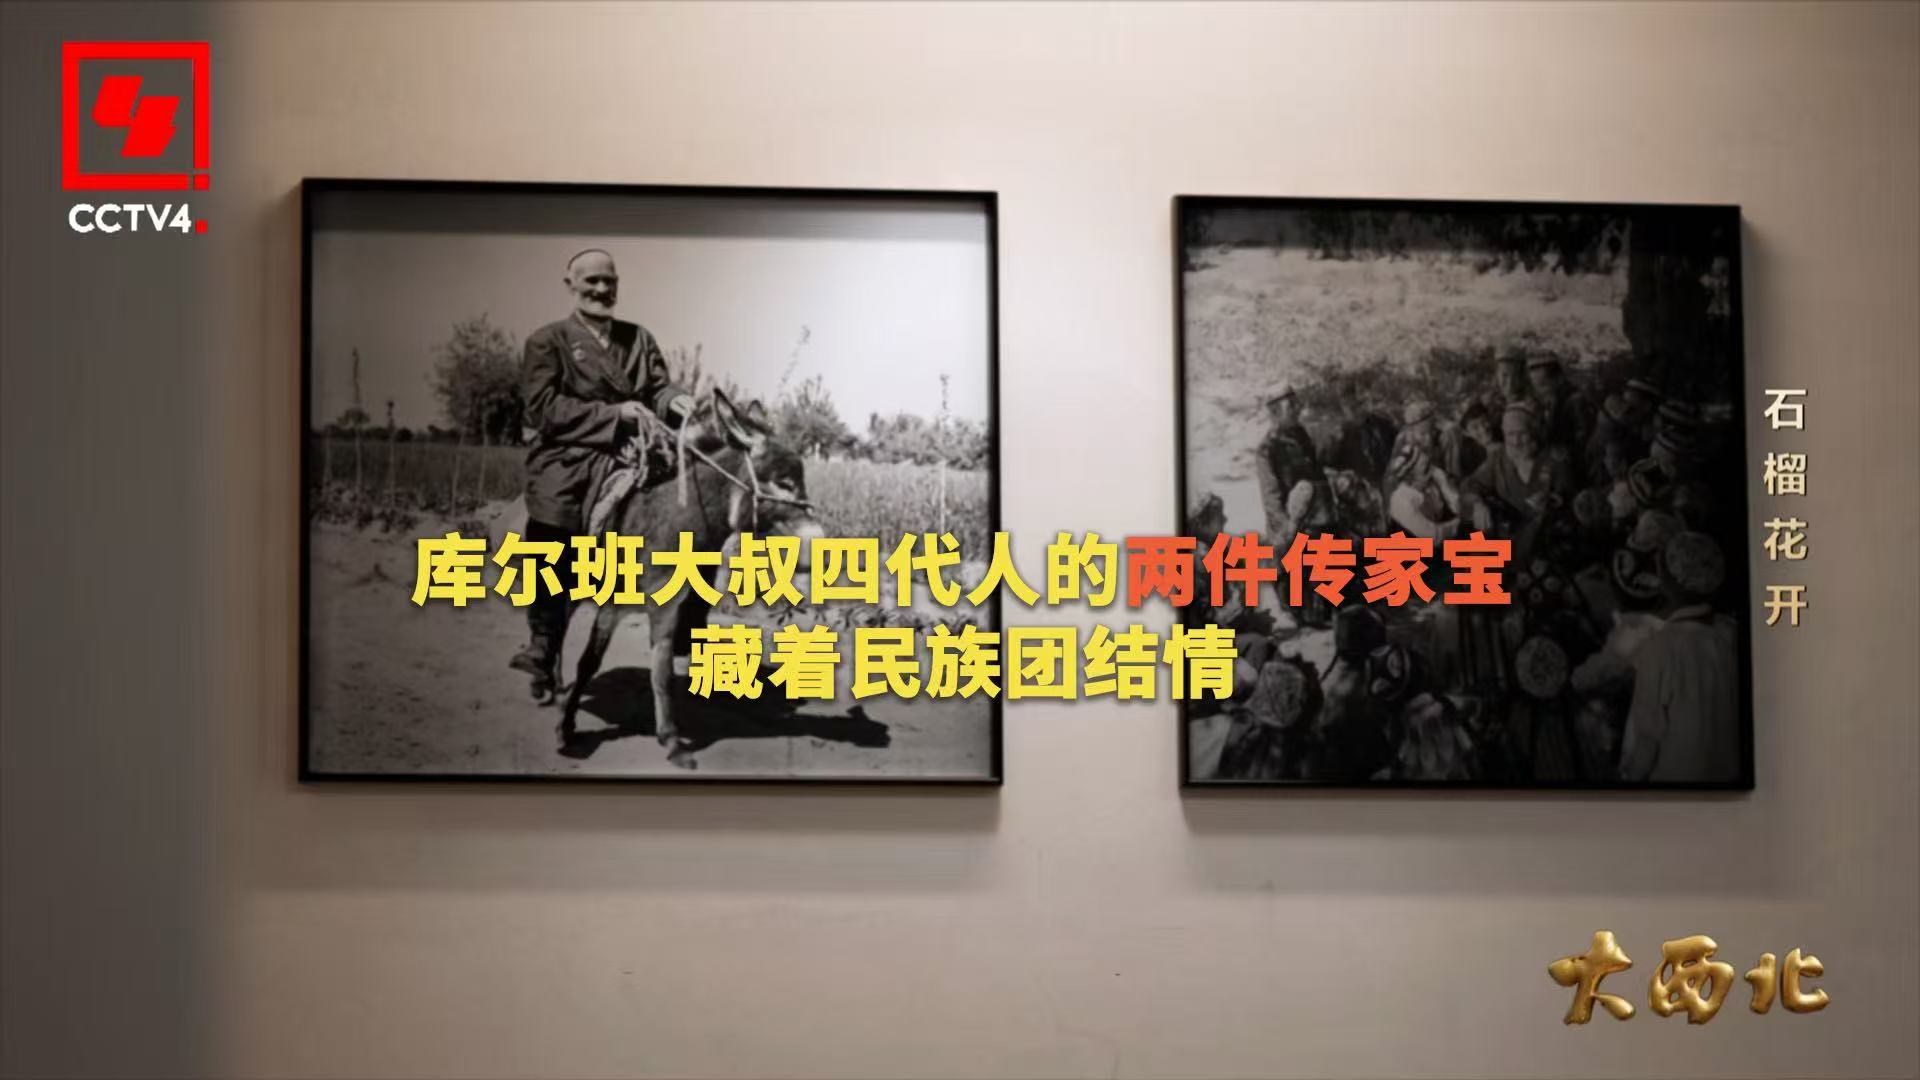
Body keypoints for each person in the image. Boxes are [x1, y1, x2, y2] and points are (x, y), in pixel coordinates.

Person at [510, 249, 687, 699]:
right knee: (551, 532)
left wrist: (674, 401)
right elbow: (543, 408)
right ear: (570, 284)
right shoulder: (547, 341)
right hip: (568, 457)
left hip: (634, 452)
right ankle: (543, 643)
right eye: (591, 281)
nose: (602, 289)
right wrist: (614, 414)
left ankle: (687, 621)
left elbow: (657, 387)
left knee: (690, 514)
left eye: (609, 281)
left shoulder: (638, 338)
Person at [1617, 531, 1740, 782]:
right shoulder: (1731, 634)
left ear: (1668, 584)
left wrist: (1627, 778)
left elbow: (1645, 740)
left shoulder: (1660, 647)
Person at [1463, 402, 1574, 564]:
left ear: (1534, 432)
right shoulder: (1498, 459)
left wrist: (1552, 501)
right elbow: (1470, 485)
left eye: (1522, 433)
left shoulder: (1555, 460)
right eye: (1510, 434)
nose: (1516, 441)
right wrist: (1477, 503)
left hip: (1544, 542)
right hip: (1508, 534)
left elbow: (1570, 499)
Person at [1381, 400, 1462, 542]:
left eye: (1431, 432)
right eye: (1423, 434)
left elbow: (1456, 502)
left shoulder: (1436, 472)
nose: (1429, 439)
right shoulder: (1402, 492)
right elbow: (1434, 536)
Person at [1527, 354, 1597, 473]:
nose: (1538, 392)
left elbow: (1586, 437)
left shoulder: (1575, 400)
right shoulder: (1544, 402)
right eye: (1535, 386)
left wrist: (1566, 451)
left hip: (1574, 468)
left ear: (1559, 379)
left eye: (1543, 385)